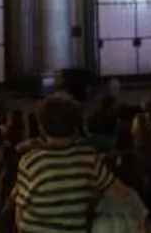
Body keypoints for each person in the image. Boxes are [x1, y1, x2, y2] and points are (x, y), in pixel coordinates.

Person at [11, 93, 122, 233]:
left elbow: (20, 212)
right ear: (76, 126)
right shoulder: (88, 157)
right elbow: (118, 191)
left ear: (42, 127)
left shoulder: (31, 162)